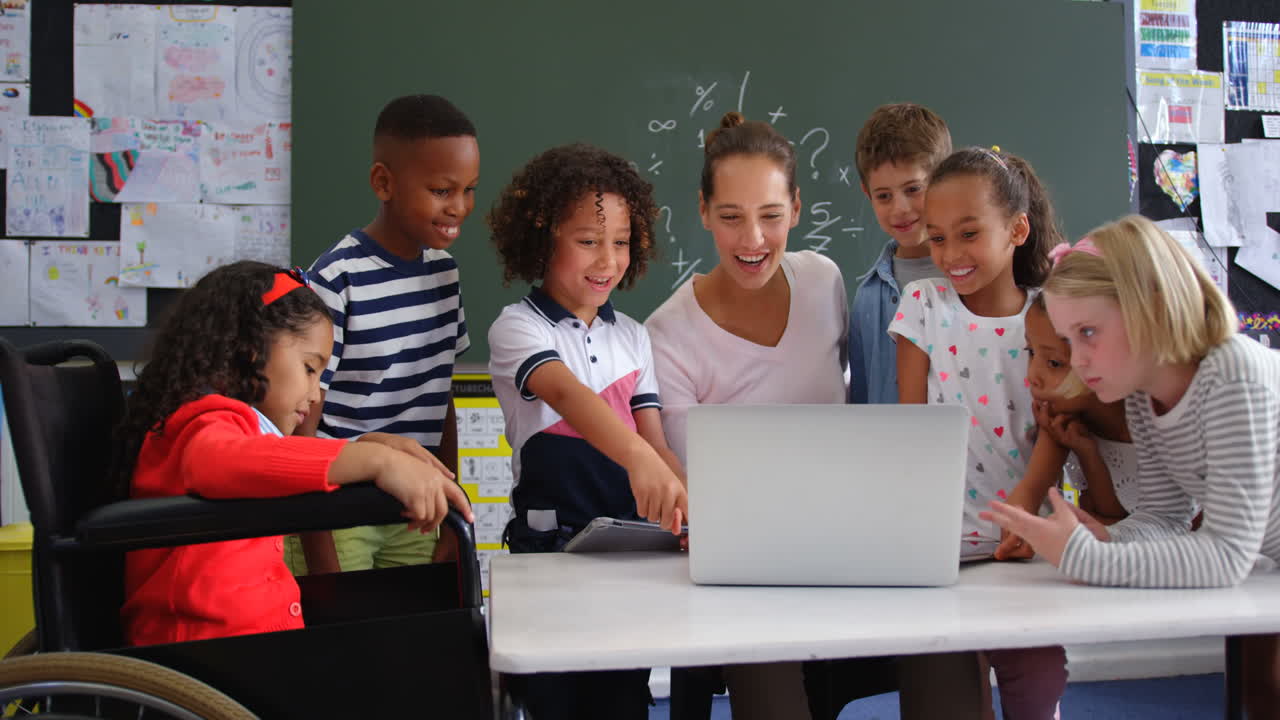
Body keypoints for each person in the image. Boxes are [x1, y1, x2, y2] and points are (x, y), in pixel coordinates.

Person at [982, 215, 1280, 717]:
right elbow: (1165, 518)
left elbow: (1227, 554)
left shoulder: (1232, 374)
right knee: (1260, 688)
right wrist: (1105, 538)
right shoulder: (1143, 396)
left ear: (1153, 307)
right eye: (1068, 341)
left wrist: (1085, 560)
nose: (1076, 361)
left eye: (1088, 332)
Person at [116, 261, 472, 646]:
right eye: (309, 368)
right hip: (204, 646)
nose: (317, 393)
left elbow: (271, 454)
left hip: (251, 642)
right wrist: (379, 462)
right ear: (250, 350)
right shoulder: (201, 422)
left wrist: (360, 448)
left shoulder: (236, 427)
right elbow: (235, 459)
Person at [487, 143, 687, 720]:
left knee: (623, 703)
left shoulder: (633, 336)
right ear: (542, 238)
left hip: (627, 558)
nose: (608, 260)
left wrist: (687, 502)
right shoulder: (517, 328)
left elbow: (656, 444)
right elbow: (569, 397)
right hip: (547, 559)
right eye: (588, 241)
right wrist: (640, 460)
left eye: (621, 242)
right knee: (555, 704)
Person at [890, 147, 1068, 718]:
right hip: (943, 551)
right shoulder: (922, 304)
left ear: (1018, 229)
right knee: (948, 696)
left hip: (1026, 545)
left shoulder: (1048, 317)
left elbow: (1055, 430)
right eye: (937, 238)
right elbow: (913, 426)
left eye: (968, 234)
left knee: (1038, 683)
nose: (950, 255)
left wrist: (1025, 505)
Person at [291, 94, 480, 574]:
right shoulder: (336, 279)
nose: (458, 207)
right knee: (348, 640)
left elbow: (442, 397)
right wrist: (319, 550)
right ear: (384, 182)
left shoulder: (445, 274)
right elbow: (303, 420)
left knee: (414, 637)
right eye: (441, 190)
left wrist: (452, 504)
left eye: (469, 189)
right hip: (339, 509)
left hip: (415, 508)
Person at [848, 102, 953, 405]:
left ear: (942, 180)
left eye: (913, 189)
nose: (900, 209)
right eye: (884, 196)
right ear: (868, 194)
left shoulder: (972, 277)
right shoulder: (869, 299)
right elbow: (863, 400)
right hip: (891, 450)